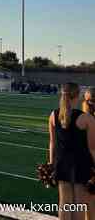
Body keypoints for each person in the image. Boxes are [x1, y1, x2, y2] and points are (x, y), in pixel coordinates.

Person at [48, 82, 95, 220]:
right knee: (79, 204)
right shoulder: (87, 119)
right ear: (78, 96)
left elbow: (52, 143)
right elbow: (92, 148)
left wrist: (51, 163)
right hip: (81, 165)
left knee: (64, 203)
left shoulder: (53, 115)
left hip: (61, 164)